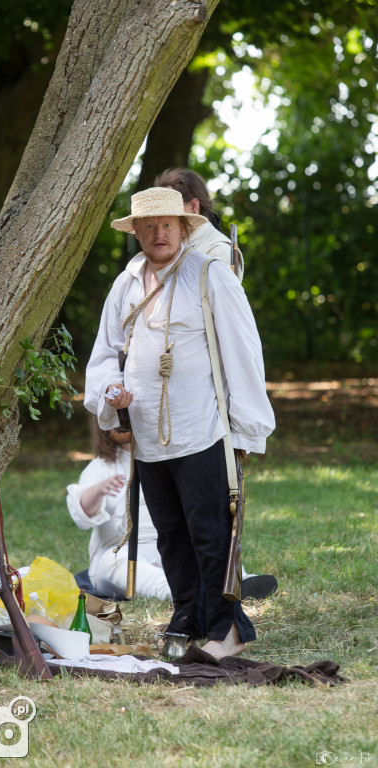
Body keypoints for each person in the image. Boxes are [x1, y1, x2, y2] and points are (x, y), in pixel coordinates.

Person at [84, 186, 275, 658]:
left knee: (210, 532)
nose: (157, 233)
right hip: (148, 439)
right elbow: (106, 354)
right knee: (170, 534)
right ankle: (187, 615)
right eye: (147, 226)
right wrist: (111, 393)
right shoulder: (126, 284)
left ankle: (225, 630)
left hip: (202, 429)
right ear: (137, 234)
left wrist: (247, 429)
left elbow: (243, 354)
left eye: (166, 224)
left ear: (184, 226)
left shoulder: (210, 275)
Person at [155, 167, 278, 602]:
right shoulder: (169, 252)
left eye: (171, 213)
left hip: (211, 400)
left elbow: (233, 342)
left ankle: (227, 587)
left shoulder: (214, 253)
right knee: (178, 519)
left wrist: (244, 422)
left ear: (192, 207)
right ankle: (195, 603)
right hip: (172, 403)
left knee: (211, 511)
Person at [66, 422, 171, 600]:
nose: (123, 423)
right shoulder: (102, 466)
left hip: (166, 549)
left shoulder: (168, 462)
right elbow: (82, 515)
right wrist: (99, 489)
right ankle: (173, 593)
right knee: (112, 561)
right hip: (116, 553)